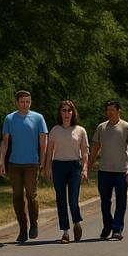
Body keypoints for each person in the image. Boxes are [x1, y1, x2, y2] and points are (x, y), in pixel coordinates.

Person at [0, 90, 48, 243]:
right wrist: (1, 161)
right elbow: (5, 141)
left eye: (28, 101)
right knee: (17, 196)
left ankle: (34, 224)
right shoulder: (10, 119)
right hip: (14, 164)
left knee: (31, 195)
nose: (25, 104)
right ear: (17, 103)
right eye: (22, 102)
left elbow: (43, 141)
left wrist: (43, 161)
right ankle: (22, 228)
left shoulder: (38, 118)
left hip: (32, 163)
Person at [89, 99, 128, 241]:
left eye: (112, 110)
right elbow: (95, 149)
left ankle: (117, 229)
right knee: (105, 202)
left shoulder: (126, 127)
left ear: (118, 111)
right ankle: (107, 225)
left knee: (121, 201)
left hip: (121, 170)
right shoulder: (101, 127)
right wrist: (88, 166)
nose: (109, 112)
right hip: (104, 171)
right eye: (108, 110)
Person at [44, 100, 90, 243]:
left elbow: (84, 151)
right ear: (60, 112)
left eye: (69, 111)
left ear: (73, 113)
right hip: (58, 166)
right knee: (61, 200)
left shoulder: (80, 130)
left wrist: (85, 168)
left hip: (74, 167)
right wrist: (48, 167)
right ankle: (65, 232)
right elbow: (49, 150)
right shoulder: (55, 130)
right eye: (63, 110)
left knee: (73, 200)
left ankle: (77, 222)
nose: (66, 113)